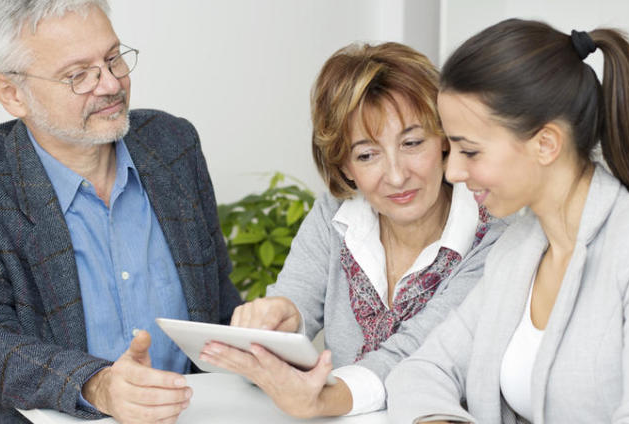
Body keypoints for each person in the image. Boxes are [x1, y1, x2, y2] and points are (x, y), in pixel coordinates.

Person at [385, 18, 629, 423]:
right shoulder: (517, 249)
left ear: (546, 144)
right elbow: (421, 369)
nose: (453, 172)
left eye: (470, 151)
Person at [0, 1, 242, 422]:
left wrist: (262, 336)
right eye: (78, 75)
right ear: (12, 93)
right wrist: (96, 384)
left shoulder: (174, 145)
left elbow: (218, 304)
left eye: (113, 59)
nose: (110, 84)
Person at [199, 42, 505, 418]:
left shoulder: (492, 234)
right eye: (367, 155)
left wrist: (322, 399)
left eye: (412, 143)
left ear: (444, 138)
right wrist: (278, 324)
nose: (397, 176)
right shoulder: (335, 214)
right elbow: (294, 301)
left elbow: (418, 352)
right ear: (344, 166)